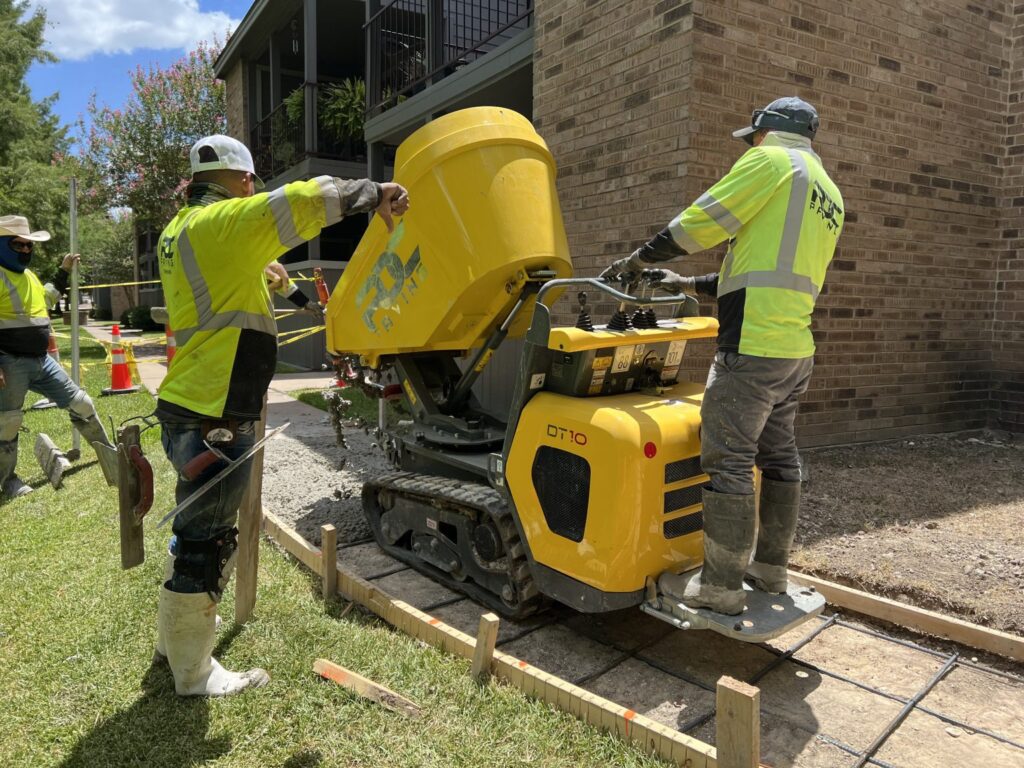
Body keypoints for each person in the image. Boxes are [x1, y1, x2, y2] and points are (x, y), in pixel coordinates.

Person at [155, 134, 409, 697]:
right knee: (208, 539)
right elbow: (302, 200)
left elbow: (264, 272)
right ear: (240, 180)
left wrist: (301, 300)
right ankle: (192, 673)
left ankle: (173, 641)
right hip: (217, 409)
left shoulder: (181, 231)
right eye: (251, 182)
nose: (254, 189)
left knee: (191, 525)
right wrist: (376, 192)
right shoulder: (223, 223)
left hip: (190, 402)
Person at [602, 97, 844, 615]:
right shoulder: (827, 191)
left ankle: (721, 588)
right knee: (779, 457)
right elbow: (758, 271)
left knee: (728, 460)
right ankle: (771, 572)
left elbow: (700, 223)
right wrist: (685, 282)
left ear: (765, 132)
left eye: (751, 138)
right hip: (794, 352)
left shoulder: (770, 162)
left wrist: (641, 258)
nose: (750, 146)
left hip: (751, 348)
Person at [0, 215, 119, 499]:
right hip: (9, 361)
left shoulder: (27, 276)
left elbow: (47, 299)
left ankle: (113, 458)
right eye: (19, 245)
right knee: (7, 424)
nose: (27, 251)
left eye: (29, 246)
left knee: (82, 403)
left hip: (41, 360)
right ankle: (8, 482)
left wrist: (63, 270)